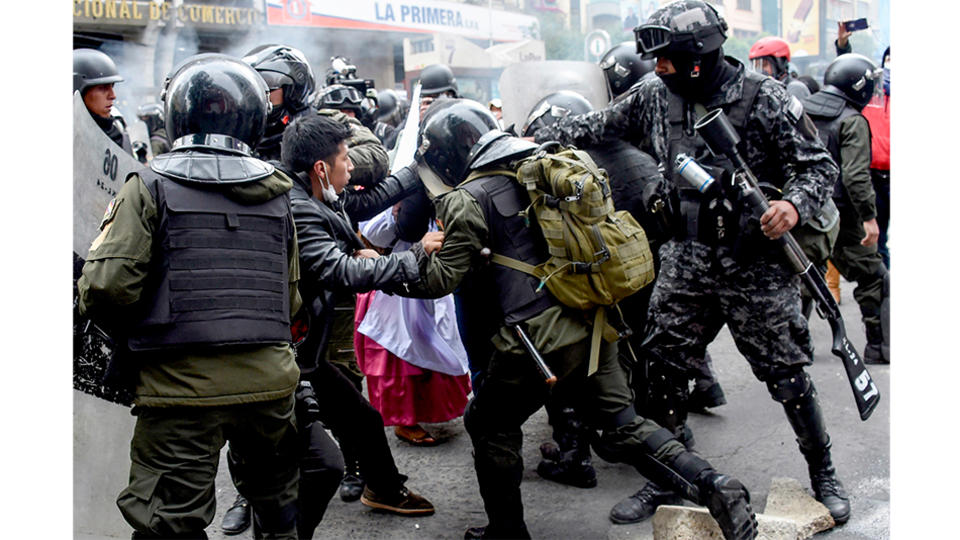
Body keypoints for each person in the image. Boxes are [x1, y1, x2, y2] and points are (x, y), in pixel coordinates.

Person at [532, 0, 850, 525]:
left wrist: (793, 205)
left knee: (787, 375)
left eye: (668, 59)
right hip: (686, 258)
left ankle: (824, 474)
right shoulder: (656, 96)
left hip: (756, 264)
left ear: (699, 56)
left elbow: (818, 167)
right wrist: (532, 136)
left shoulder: (765, 99)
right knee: (664, 372)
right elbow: (596, 127)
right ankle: (666, 478)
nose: (658, 68)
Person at [402, 97, 758, 540]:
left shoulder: (466, 199)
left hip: (537, 339)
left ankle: (507, 533)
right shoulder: (541, 164)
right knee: (623, 424)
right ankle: (714, 484)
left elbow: (438, 281)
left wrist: (403, 259)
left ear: (448, 155)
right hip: (591, 319)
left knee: (488, 422)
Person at [76, 53, 303, 540]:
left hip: (179, 389)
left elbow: (104, 290)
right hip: (270, 384)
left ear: (179, 112)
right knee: (279, 512)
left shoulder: (149, 184)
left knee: (169, 524)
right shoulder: (279, 194)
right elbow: (291, 300)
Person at [280, 112, 440, 523]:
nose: (351, 167)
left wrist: (420, 167)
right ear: (321, 167)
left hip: (304, 354)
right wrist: (415, 255)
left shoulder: (313, 195)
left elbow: (367, 207)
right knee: (313, 463)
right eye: (345, 158)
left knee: (363, 419)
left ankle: (383, 489)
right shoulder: (301, 208)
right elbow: (341, 273)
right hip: (282, 361)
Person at [353, 205, 473, 447]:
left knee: (439, 342)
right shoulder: (388, 195)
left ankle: (429, 409)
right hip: (394, 279)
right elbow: (373, 232)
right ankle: (404, 421)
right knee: (400, 348)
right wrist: (395, 212)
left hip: (434, 274)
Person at [802, 53, 891, 365]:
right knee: (873, 276)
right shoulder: (852, 120)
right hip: (842, 214)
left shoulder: (802, 108)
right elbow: (854, 176)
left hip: (802, 208)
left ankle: (793, 350)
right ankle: (879, 346)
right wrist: (869, 217)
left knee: (800, 276)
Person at [243, 44, 317, 163]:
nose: (259, 92)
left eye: (267, 84)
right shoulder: (241, 128)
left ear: (294, 91)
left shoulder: (319, 128)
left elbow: (350, 155)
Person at [71, 48, 134, 156]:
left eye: (112, 86)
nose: (113, 96)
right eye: (103, 88)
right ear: (78, 92)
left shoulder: (118, 135)